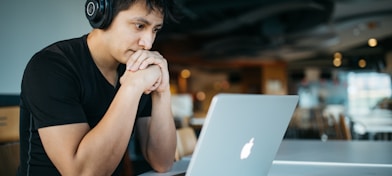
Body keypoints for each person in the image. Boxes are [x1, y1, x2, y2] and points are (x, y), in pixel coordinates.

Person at [18, 0, 179, 175]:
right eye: (139, 26)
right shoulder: (50, 66)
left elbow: (162, 162)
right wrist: (132, 87)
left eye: (155, 30)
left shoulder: (135, 69)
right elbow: (82, 173)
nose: (148, 43)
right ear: (102, 15)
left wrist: (162, 91)